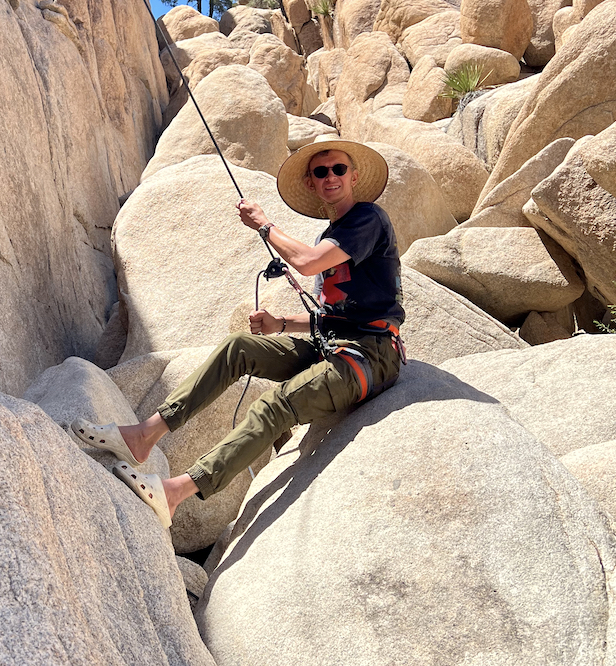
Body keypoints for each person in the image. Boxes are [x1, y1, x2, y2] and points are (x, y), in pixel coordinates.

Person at [70, 140, 405, 529]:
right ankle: (143, 437)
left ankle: (175, 492)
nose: (330, 177)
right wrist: (281, 324)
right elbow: (338, 317)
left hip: (372, 356)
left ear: (354, 176)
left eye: (338, 169)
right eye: (320, 172)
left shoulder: (368, 219)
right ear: (312, 184)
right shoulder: (333, 234)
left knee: (274, 406)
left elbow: (309, 265)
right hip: (334, 345)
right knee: (238, 348)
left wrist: (265, 225)